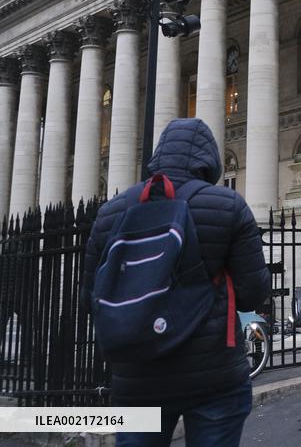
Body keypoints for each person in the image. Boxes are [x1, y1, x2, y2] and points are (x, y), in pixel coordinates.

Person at [82, 118, 270, 447]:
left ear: (157, 156)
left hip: (138, 376)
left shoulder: (111, 212)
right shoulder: (228, 205)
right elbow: (252, 294)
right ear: (209, 160)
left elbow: (90, 298)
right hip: (213, 375)